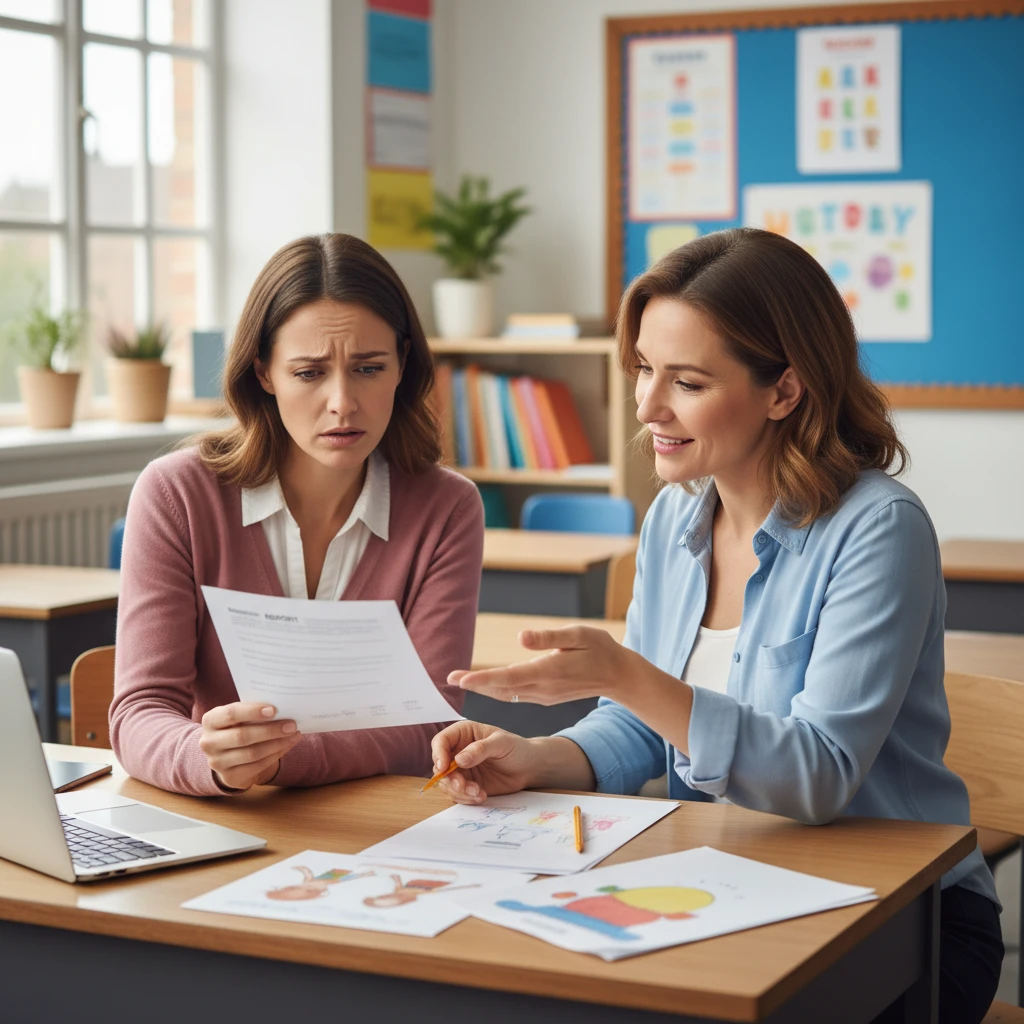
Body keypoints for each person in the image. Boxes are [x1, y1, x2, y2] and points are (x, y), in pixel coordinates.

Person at [431, 228, 1002, 1023]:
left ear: (784, 390)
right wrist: (540, 758)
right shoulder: (674, 517)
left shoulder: (879, 529)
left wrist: (626, 674)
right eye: (644, 369)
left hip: (904, 917)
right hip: (729, 885)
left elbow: (820, 775)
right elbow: (645, 728)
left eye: (688, 382)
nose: (646, 406)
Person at [110, 233, 483, 796]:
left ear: (402, 364)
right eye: (309, 373)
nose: (342, 403)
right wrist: (212, 759)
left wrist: (279, 760)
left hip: (377, 821)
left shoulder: (447, 508)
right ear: (264, 372)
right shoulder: (176, 494)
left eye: (369, 368)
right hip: (225, 815)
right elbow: (140, 711)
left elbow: (430, 724)